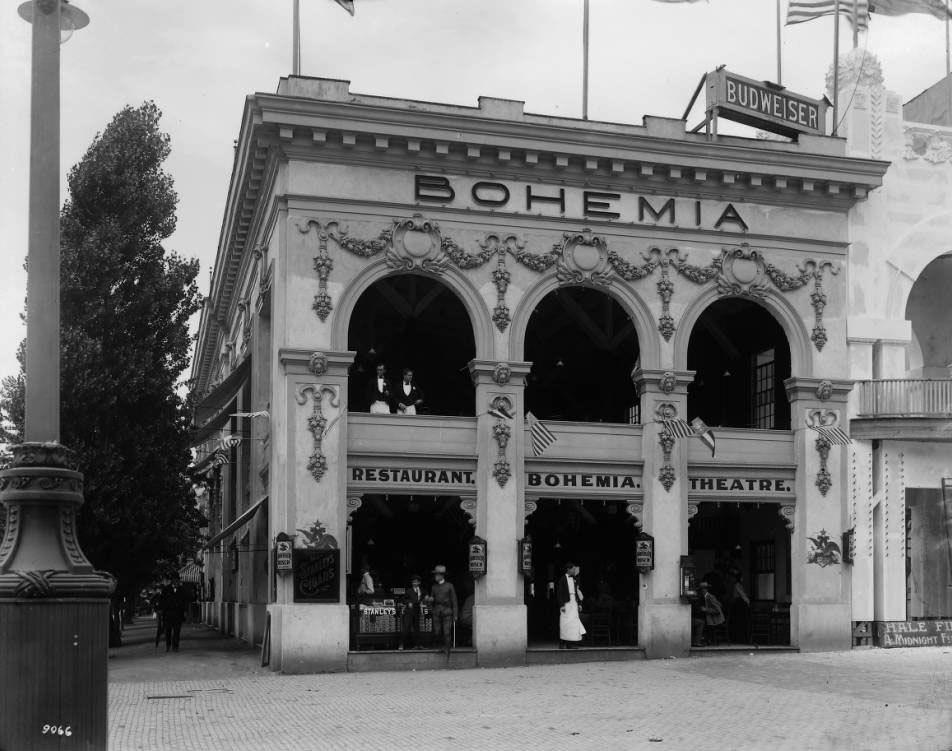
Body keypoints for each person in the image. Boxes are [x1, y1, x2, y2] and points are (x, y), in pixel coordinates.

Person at [427, 564, 458, 659]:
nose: (435, 576)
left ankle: (447, 651)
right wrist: (430, 602)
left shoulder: (449, 586)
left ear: (442, 576)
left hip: (447, 612)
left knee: (447, 632)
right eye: (435, 575)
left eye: (437, 575)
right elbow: (431, 601)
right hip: (437, 612)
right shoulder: (434, 587)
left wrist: (455, 614)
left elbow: (454, 601)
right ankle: (440, 646)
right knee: (437, 632)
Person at [556, 562, 585, 649]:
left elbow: (577, 592)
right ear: (568, 569)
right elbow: (559, 593)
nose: (573, 570)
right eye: (572, 569)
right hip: (566, 602)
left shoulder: (574, 579)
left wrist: (579, 604)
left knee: (573, 623)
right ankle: (561, 643)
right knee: (564, 623)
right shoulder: (562, 579)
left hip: (574, 602)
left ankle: (570, 644)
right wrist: (561, 605)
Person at [158, 572, 188, 652]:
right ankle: (168, 645)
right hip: (168, 613)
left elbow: (185, 601)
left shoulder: (182, 589)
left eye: (177, 580)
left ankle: (175, 646)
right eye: (174, 580)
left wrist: (185, 611)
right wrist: (161, 610)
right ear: (172, 580)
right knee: (167, 631)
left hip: (178, 613)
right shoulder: (166, 589)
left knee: (177, 631)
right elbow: (162, 600)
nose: (175, 581)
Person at [691, 581, 725, 647]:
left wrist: (705, 609)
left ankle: (699, 641)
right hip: (706, 618)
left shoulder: (710, 597)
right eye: (700, 590)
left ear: (705, 589)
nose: (701, 591)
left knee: (700, 622)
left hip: (714, 620)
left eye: (703, 589)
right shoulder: (703, 597)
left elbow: (717, 610)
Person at [399, 574, 426, 650]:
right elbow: (403, 599)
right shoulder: (409, 591)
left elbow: (425, 597)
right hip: (409, 611)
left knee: (417, 629)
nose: (414, 583)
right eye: (413, 582)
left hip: (417, 611)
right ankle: (401, 644)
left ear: (419, 583)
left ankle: (417, 645)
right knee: (406, 628)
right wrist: (408, 603)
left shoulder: (422, 590)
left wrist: (425, 600)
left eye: (416, 582)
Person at [724, 567, 751, 643]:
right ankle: (738, 639)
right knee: (738, 622)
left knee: (740, 622)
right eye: (742, 577)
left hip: (739, 605)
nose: (743, 579)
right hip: (738, 606)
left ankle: (740, 638)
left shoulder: (739, 585)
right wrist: (748, 602)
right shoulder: (737, 585)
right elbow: (743, 595)